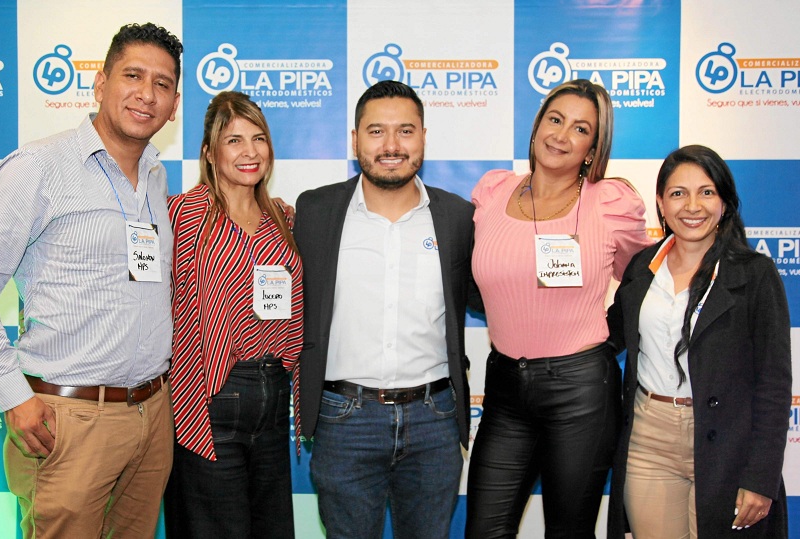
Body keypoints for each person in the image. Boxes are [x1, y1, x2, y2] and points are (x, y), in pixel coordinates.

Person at [0, 22, 182, 537]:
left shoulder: (157, 175)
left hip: (152, 415)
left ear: (175, 102)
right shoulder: (39, 166)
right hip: (68, 418)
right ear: (100, 83)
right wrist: (14, 396)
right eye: (133, 76)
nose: (146, 94)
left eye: (162, 84)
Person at [465, 79, 652, 538]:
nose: (561, 135)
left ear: (593, 146)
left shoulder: (611, 206)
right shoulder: (492, 192)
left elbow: (642, 278)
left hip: (580, 391)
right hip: (505, 387)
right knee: (483, 531)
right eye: (555, 119)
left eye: (580, 128)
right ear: (536, 127)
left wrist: (610, 335)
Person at [293, 80, 475, 539]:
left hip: (434, 421)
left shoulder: (456, 216)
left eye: (405, 131)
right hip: (344, 421)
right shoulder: (314, 211)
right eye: (376, 131)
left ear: (423, 138)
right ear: (354, 140)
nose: (391, 146)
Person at [606, 145, 791, 539]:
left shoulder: (756, 274)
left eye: (706, 192)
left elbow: (775, 385)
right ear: (661, 202)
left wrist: (761, 476)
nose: (693, 206)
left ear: (724, 202)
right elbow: (603, 336)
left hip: (730, 443)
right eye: (678, 193)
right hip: (649, 440)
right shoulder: (643, 268)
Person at [163, 91, 303, 538]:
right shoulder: (182, 215)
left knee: (272, 528)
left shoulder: (283, 217)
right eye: (234, 140)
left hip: (273, 395)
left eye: (258, 138)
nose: (249, 152)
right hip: (209, 396)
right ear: (209, 152)